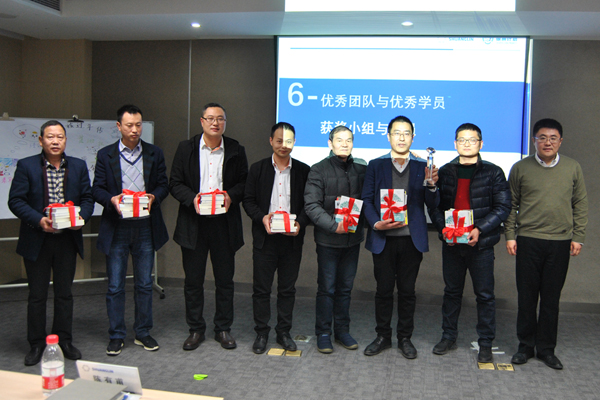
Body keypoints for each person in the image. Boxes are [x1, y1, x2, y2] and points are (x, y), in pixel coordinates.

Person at [8, 120, 94, 366]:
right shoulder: (26, 166)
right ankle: (36, 344)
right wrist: (39, 220)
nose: (55, 141)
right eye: (50, 137)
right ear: (41, 140)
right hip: (38, 239)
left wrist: (81, 218)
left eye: (60, 137)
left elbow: (87, 199)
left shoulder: (77, 166)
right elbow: (16, 201)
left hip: (67, 240)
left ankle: (64, 340)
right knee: (37, 295)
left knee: (64, 294)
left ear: (65, 140)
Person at [506, 118, 587, 370]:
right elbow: (511, 204)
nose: (547, 142)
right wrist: (510, 235)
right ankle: (525, 347)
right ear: (534, 141)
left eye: (553, 138)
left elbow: (580, 203)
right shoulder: (520, 168)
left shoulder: (573, 167)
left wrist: (578, 236)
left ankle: (546, 350)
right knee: (527, 297)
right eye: (542, 137)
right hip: (528, 240)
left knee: (551, 299)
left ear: (560, 141)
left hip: (560, 241)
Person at [428, 123, 511, 363]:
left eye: (472, 140)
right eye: (462, 140)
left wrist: (479, 229)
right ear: (455, 144)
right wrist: (443, 229)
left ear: (480, 144)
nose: (466, 144)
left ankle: (485, 343)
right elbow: (435, 207)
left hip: (480, 245)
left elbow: (503, 207)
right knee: (451, 292)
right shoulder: (444, 172)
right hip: (452, 244)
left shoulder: (493, 172)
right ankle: (448, 336)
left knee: (484, 295)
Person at [170, 102, 248, 351]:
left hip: (224, 223)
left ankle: (223, 328)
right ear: (202, 121)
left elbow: (244, 183)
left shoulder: (235, 149)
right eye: (211, 118)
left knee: (225, 280)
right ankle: (195, 329)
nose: (216, 123)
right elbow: (175, 183)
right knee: (193, 280)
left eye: (221, 119)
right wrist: (192, 198)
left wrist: (231, 196)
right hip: (194, 223)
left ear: (225, 122)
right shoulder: (186, 148)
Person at [92, 105, 169, 356]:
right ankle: (116, 335)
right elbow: (97, 189)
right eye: (129, 125)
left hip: (145, 225)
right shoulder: (105, 154)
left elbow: (164, 185)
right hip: (117, 226)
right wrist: (111, 200)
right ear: (119, 126)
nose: (134, 130)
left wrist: (154, 197)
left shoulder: (154, 153)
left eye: (138, 125)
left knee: (145, 283)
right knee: (115, 285)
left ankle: (143, 332)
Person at [361, 115, 439, 358]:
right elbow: (366, 199)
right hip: (382, 239)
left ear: (413, 137)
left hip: (411, 239)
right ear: (388, 136)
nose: (402, 137)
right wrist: (376, 223)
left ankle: (405, 338)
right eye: (397, 133)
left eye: (406, 133)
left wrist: (432, 186)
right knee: (383, 291)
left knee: (407, 292)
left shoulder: (423, 166)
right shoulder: (376, 164)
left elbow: (432, 204)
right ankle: (383, 336)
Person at [243, 122, 311, 354]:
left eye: (288, 141)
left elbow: (309, 204)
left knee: (287, 289)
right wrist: (262, 217)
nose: (284, 145)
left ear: (294, 142)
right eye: (279, 140)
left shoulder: (304, 170)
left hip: (291, 239)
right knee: (261, 289)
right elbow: (248, 200)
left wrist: (300, 223)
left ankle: (283, 332)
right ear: (271, 141)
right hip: (266, 238)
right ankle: (262, 332)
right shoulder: (258, 169)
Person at [304, 125, 366, 354]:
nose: (344, 144)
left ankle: (342, 331)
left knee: (345, 289)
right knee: (327, 289)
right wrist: (334, 225)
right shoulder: (318, 169)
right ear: (330, 143)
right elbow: (312, 205)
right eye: (339, 140)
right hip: (328, 240)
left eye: (349, 140)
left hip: (352, 240)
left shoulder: (362, 168)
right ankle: (323, 333)